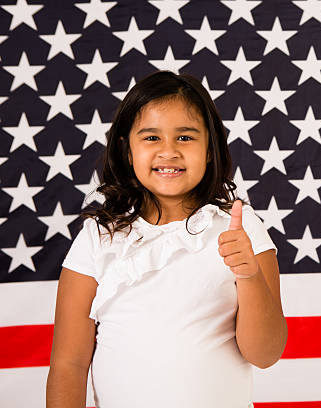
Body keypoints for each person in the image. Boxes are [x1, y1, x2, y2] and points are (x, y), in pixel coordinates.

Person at [46, 70, 288, 407]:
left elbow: (265, 354)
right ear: (127, 150)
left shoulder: (240, 228)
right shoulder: (96, 239)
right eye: (151, 138)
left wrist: (248, 275)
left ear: (209, 149)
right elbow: (69, 364)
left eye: (186, 138)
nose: (169, 151)